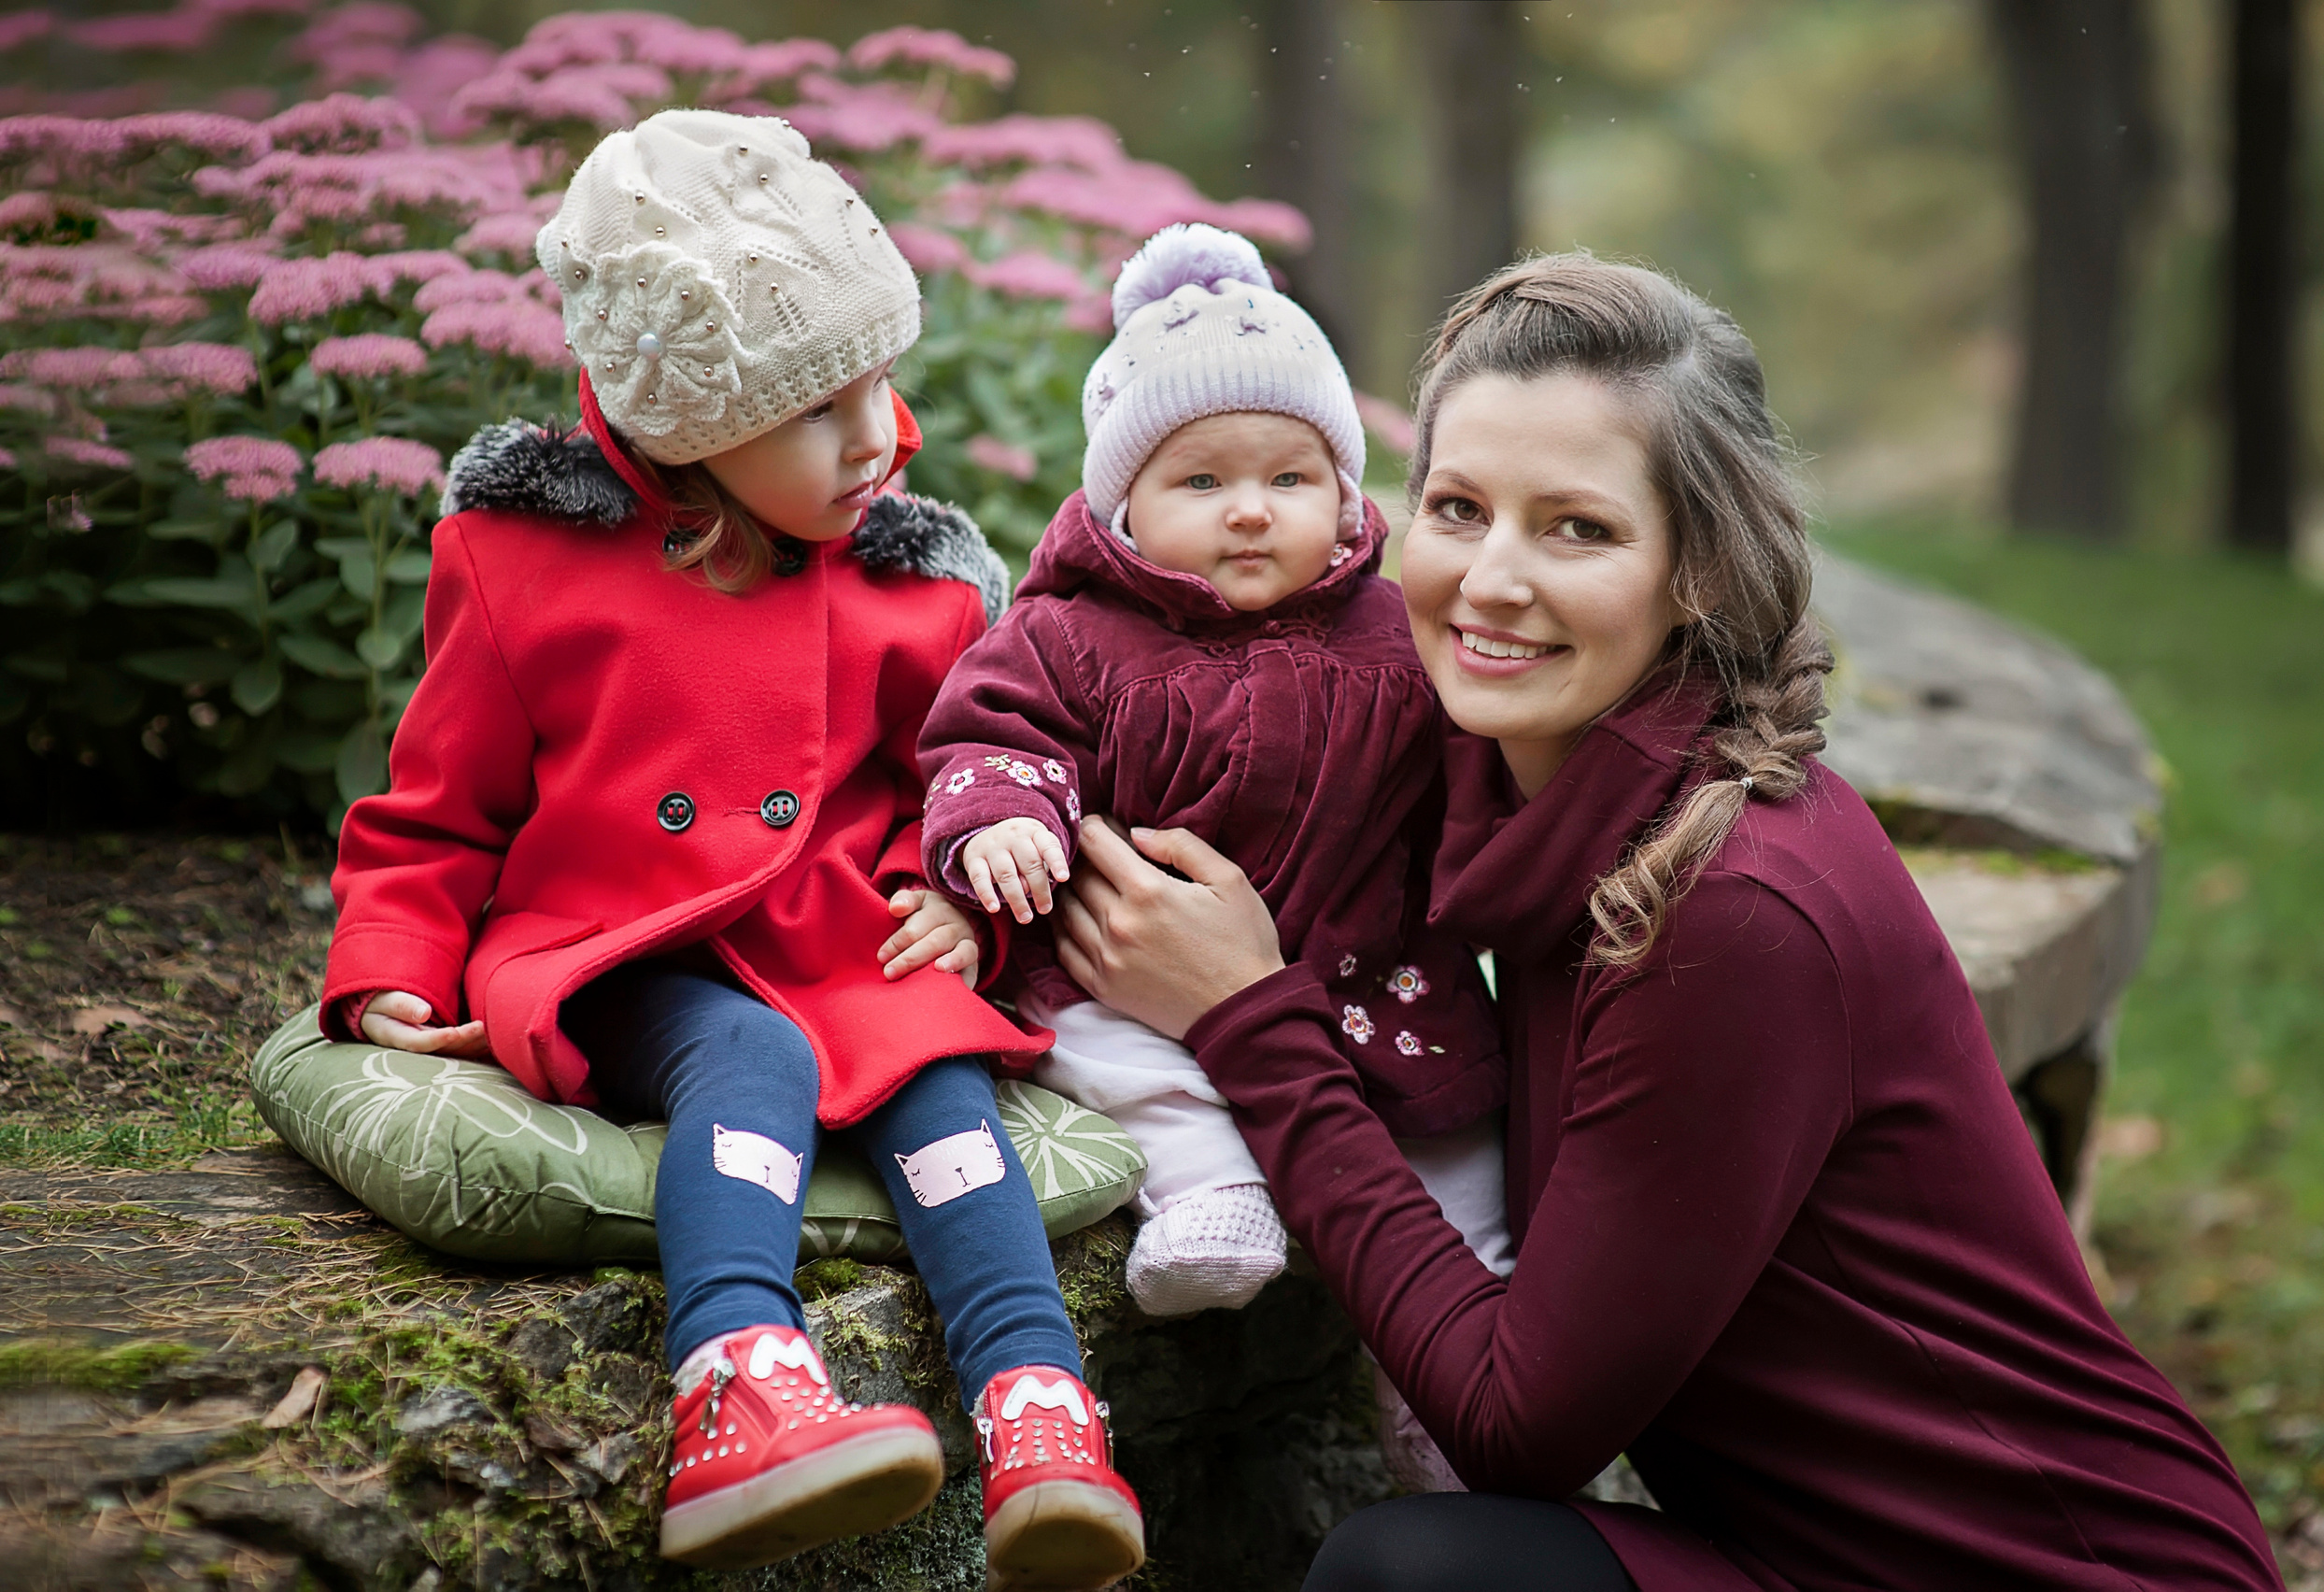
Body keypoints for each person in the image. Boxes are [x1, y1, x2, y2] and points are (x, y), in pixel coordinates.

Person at [1045, 254, 2285, 1591]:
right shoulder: (1537, 794)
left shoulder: (1732, 903)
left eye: (1577, 529)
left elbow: (1517, 1429)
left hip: (2059, 1572)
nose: (1490, 580)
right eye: (1457, 508)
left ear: (1699, 569)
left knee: (1416, 1578)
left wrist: (1248, 1020)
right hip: (1796, 1553)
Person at [318, 110, 1142, 1588]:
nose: (878, 436)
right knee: (748, 1061)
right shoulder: (522, 566)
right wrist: (392, 959)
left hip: (836, 937)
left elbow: (951, 785)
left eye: (882, 381)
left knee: (939, 1078)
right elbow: (438, 808)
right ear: (687, 423)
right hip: (622, 945)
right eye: (819, 409)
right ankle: (737, 1383)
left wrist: (953, 899)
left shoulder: (912, 585)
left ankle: (1038, 1412)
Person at [915, 224, 1511, 1321]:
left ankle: (1453, 1330)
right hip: (1133, 972)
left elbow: (1479, 766)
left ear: (1343, 493)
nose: (1249, 508)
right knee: (1114, 1059)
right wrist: (1002, 820)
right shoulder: (1071, 636)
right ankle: (1210, 1195)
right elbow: (993, 730)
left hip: (1367, 967)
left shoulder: (1396, 632)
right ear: (1123, 506)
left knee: (1458, 1128)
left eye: (1290, 477)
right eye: (1200, 479)